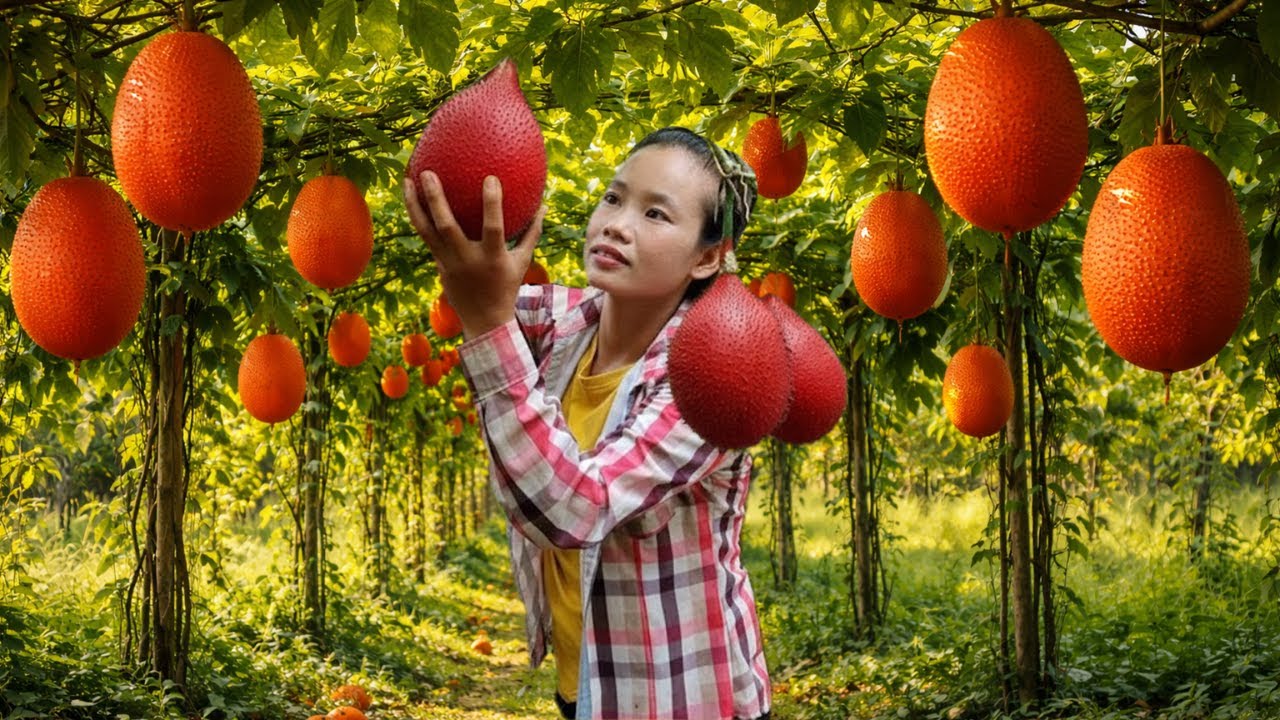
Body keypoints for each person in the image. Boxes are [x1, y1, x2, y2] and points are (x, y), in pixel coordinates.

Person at [404, 126, 771, 720]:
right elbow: (481, 278)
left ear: (708, 256)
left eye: (655, 213)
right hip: (589, 686)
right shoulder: (569, 321)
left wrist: (488, 322)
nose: (617, 224)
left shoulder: (711, 372)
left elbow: (580, 508)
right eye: (614, 198)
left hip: (681, 697)